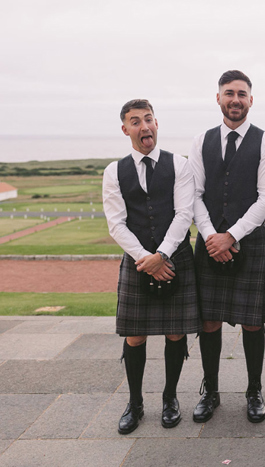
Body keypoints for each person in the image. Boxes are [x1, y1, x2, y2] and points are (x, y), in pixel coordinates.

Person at [102, 99, 200, 434]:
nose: (144, 127)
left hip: (175, 257)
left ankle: (170, 398)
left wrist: (164, 254)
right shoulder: (114, 171)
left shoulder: (180, 165)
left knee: (175, 332)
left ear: (156, 123)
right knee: (135, 336)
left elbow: (184, 214)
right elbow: (116, 224)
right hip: (139, 260)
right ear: (125, 129)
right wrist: (146, 259)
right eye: (135, 121)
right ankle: (135, 402)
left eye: (149, 119)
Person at [190, 70, 265, 424]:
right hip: (211, 240)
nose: (235, 99)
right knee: (209, 321)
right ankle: (210, 391)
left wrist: (232, 236)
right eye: (229, 93)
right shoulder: (201, 141)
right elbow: (194, 194)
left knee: (253, 323)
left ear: (251, 100)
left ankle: (254, 391)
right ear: (218, 98)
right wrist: (213, 235)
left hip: (249, 240)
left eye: (242, 94)